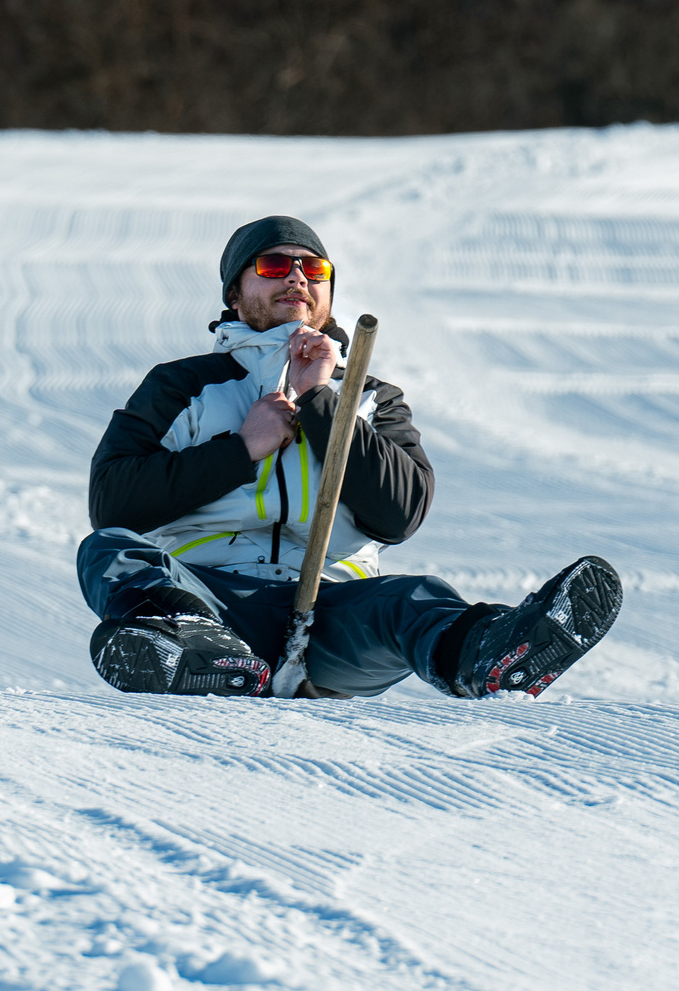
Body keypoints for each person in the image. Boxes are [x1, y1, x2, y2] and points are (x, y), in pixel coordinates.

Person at [75, 215, 621, 700]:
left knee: (414, 598)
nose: (296, 277)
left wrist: (322, 406)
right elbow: (114, 502)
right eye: (273, 264)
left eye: (314, 269)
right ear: (235, 295)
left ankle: (494, 654)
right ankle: (192, 651)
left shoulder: (368, 395)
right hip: (212, 600)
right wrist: (243, 449)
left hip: (333, 614)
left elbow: (401, 513)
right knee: (110, 551)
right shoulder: (182, 385)